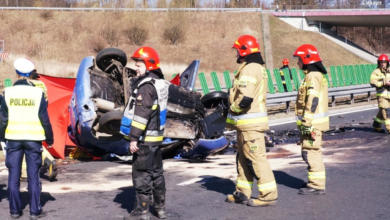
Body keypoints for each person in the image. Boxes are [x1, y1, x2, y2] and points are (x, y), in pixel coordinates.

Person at [225, 35, 278, 207]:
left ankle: (268, 195)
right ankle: (242, 192)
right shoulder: (257, 67)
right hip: (246, 124)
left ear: (244, 50)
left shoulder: (249, 68)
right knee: (243, 158)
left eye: (238, 50)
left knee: (256, 159)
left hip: (251, 125)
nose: (236, 54)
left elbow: (245, 97)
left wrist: (232, 109)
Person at [120, 47, 170, 219]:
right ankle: (160, 209)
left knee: (141, 175)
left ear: (149, 65)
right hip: (156, 139)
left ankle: (142, 211)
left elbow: (142, 115)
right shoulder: (160, 83)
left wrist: (134, 139)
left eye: (139, 65)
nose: (136, 68)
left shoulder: (146, 87)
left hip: (144, 140)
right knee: (157, 174)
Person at [0, 58, 53, 219]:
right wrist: (49, 139)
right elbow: (45, 119)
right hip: (33, 139)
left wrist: (2, 137)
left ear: (16, 74)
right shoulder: (38, 93)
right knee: (33, 176)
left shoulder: (7, 93)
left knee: (13, 175)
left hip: (13, 139)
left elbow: (3, 119)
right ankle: (35, 211)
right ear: (31, 74)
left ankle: (15, 211)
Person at [293, 44, 329, 195]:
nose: (297, 63)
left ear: (306, 59)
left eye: (299, 59)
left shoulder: (313, 76)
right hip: (313, 122)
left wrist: (306, 122)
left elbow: (312, 100)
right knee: (310, 152)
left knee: (311, 153)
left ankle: (316, 185)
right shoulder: (313, 75)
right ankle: (314, 182)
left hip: (312, 124)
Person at [19, 70, 58, 182]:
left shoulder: (26, 86)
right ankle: (49, 160)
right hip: (40, 116)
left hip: (26, 117)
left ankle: (24, 173)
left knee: (24, 145)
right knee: (36, 144)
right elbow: (46, 102)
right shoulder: (42, 85)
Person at [370, 54, 390, 133]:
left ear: (387, 63)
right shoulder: (376, 72)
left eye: (384, 62)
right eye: (381, 62)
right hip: (382, 95)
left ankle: (376, 125)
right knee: (386, 111)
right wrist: (384, 82)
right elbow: (373, 82)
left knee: (382, 111)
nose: (383, 63)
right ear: (379, 63)